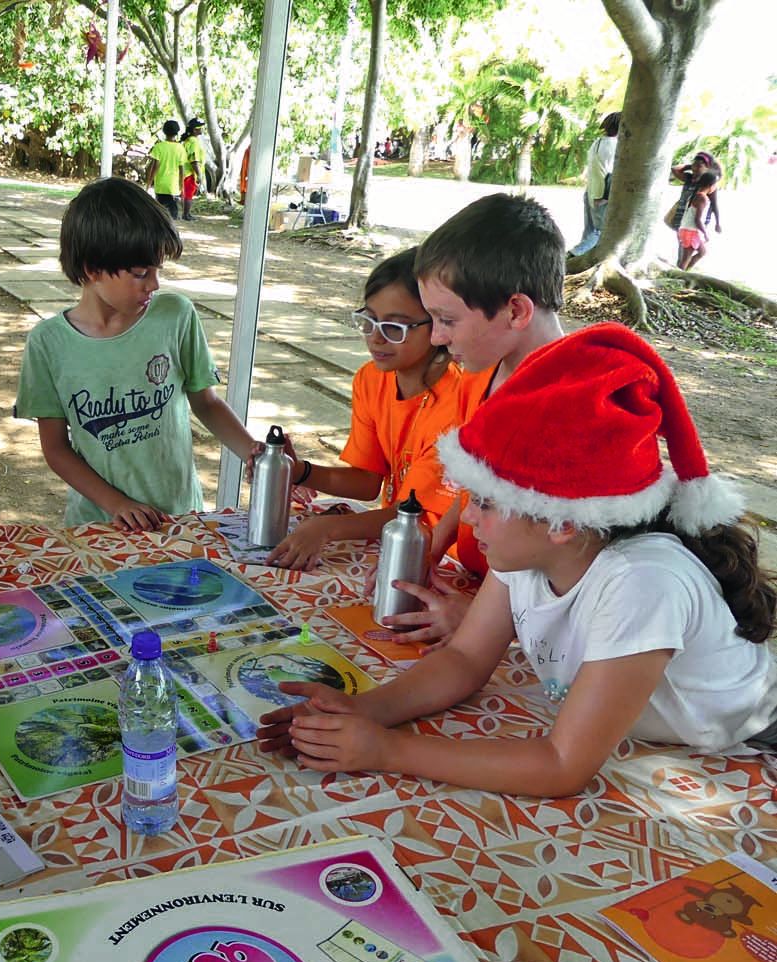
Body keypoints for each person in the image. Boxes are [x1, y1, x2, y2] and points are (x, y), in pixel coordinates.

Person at [259, 323, 777, 797]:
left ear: (560, 521)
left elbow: (561, 766)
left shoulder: (642, 582)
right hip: (660, 742)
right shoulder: (524, 552)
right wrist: (364, 709)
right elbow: (464, 661)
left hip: (747, 751)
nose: (470, 519)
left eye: (485, 502)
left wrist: (386, 749)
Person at [16, 177, 259, 532]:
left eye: (157, 271)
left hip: (179, 517)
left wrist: (254, 453)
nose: (154, 284)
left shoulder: (175, 316)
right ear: (92, 270)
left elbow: (206, 403)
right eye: (141, 273)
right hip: (100, 526)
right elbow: (56, 449)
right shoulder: (48, 344)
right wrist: (118, 504)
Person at [380, 193, 569, 643]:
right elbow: (472, 486)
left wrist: (483, 622)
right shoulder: (490, 371)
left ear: (516, 310)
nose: (439, 339)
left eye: (447, 320)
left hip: (536, 624)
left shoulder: (567, 407)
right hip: (480, 582)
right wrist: (431, 550)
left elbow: (569, 554)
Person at [268, 248, 488, 570]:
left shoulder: (459, 401)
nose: (376, 339)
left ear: (438, 327)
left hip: (445, 560)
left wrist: (328, 528)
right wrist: (297, 470)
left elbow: (417, 515)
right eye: (369, 321)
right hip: (396, 542)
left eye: (394, 328)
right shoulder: (371, 380)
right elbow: (368, 481)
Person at [569, 111, 620, 256]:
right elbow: (608, 174)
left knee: (590, 231)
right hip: (601, 195)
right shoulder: (615, 146)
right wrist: (605, 197)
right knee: (599, 232)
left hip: (591, 191)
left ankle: (577, 257)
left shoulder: (597, 143)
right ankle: (574, 254)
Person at [669, 151, 722, 263]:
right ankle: (680, 272)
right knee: (684, 251)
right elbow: (674, 169)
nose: (696, 168)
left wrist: (717, 223)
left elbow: (714, 204)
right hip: (683, 220)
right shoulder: (689, 178)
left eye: (700, 165)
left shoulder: (709, 183)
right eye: (695, 164)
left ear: (707, 168)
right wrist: (690, 166)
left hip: (695, 224)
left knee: (695, 252)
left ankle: (680, 272)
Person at [145, 120, 188, 219]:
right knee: (172, 217)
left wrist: (148, 184)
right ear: (177, 132)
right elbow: (182, 170)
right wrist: (182, 188)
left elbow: (154, 168)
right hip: (174, 188)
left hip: (160, 187)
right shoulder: (180, 149)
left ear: (164, 132)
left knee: (160, 215)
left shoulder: (159, 147)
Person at [677, 172, 718, 271]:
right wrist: (705, 233)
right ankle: (678, 275)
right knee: (684, 261)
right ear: (710, 185)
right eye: (715, 185)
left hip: (689, 230)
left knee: (702, 252)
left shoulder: (698, 195)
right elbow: (697, 219)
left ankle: (684, 273)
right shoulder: (702, 198)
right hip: (690, 231)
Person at [181, 117, 206, 221]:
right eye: (200, 128)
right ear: (195, 130)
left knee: (188, 193)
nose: (202, 129)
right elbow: (194, 160)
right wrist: (199, 175)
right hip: (190, 173)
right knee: (189, 194)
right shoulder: (193, 141)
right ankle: (186, 215)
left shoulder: (188, 140)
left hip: (186, 172)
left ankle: (186, 214)